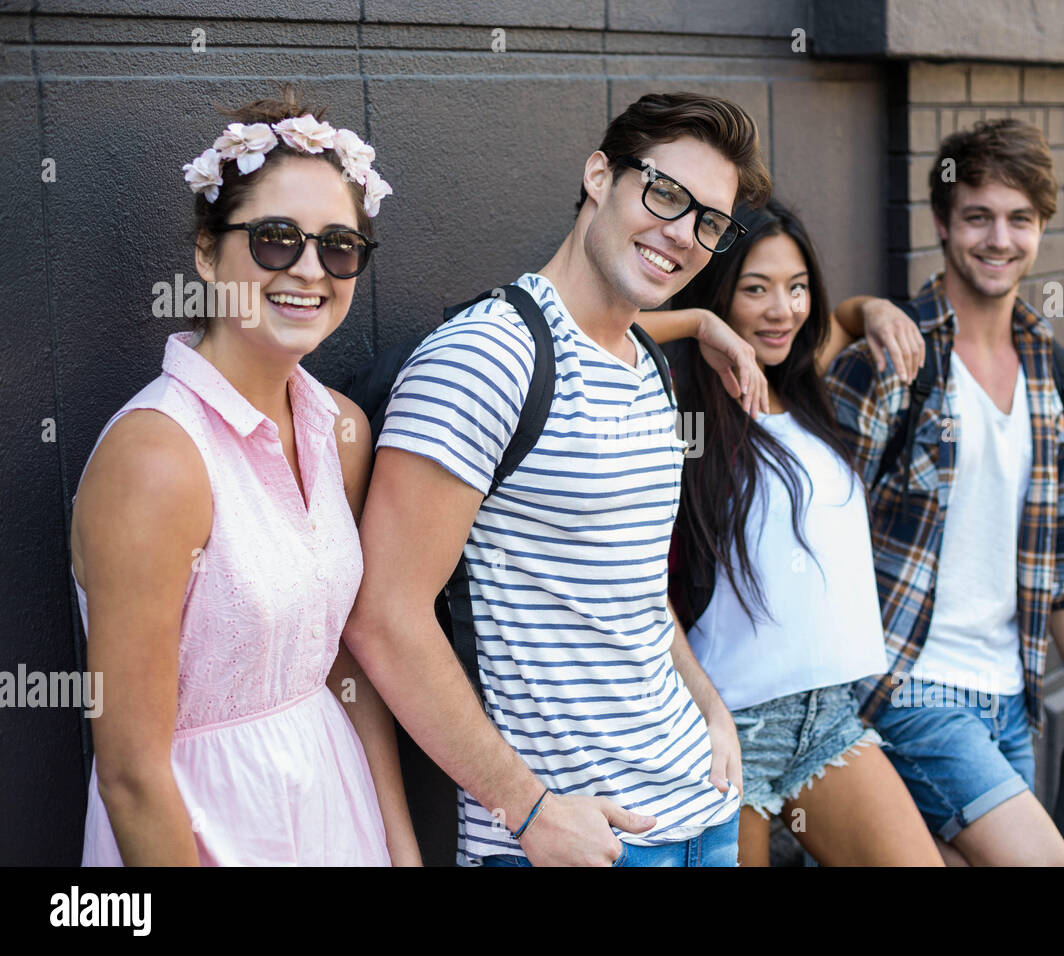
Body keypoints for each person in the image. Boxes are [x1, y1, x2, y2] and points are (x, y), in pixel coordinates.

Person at [344, 92, 772, 866]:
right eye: (666, 194)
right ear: (600, 176)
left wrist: (709, 705)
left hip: (704, 813)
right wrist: (529, 808)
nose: (683, 235)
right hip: (574, 841)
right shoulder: (486, 358)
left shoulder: (649, 370)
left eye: (710, 222)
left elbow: (635, 592)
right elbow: (381, 615)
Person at [69, 87, 419, 865]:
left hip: (333, 802)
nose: (308, 269)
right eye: (273, 238)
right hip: (204, 827)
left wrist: (400, 847)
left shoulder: (342, 430)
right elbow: (129, 775)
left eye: (338, 246)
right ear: (205, 251)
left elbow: (344, 664)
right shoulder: (157, 457)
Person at [826, 119, 1064, 866]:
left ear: (1042, 226)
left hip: (1012, 698)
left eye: (1020, 219)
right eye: (978, 216)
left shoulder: (1050, 366)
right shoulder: (891, 361)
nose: (1000, 239)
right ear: (942, 225)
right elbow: (812, 529)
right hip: (910, 687)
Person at [639, 200, 943, 866]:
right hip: (724, 726)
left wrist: (874, 311)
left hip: (826, 717)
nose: (783, 309)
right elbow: (583, 327)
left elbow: (835, 319)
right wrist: (695, 324)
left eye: (796, 285)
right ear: (718, 295)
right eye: (755, 289)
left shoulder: (799, 378)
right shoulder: (675, 394)